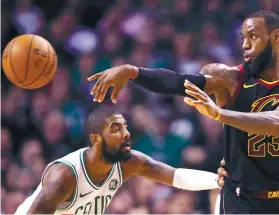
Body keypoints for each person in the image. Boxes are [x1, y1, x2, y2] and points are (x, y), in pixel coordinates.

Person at [88, 11, 279, 214]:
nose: (245, 45)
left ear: (276, 38)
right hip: (239, 200)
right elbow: (178, 82)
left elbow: (275, 122)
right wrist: (134, 72)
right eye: (243, 38)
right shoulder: (230, 79)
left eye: (253, 36)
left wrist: (219, 114)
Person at [15, 107, 224, 215]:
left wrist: (218, 180)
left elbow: (176, 176)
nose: (126, 133)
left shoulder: (128, 162)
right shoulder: (65, 175)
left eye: (125, 126)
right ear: (96, 140)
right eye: (116, 129)